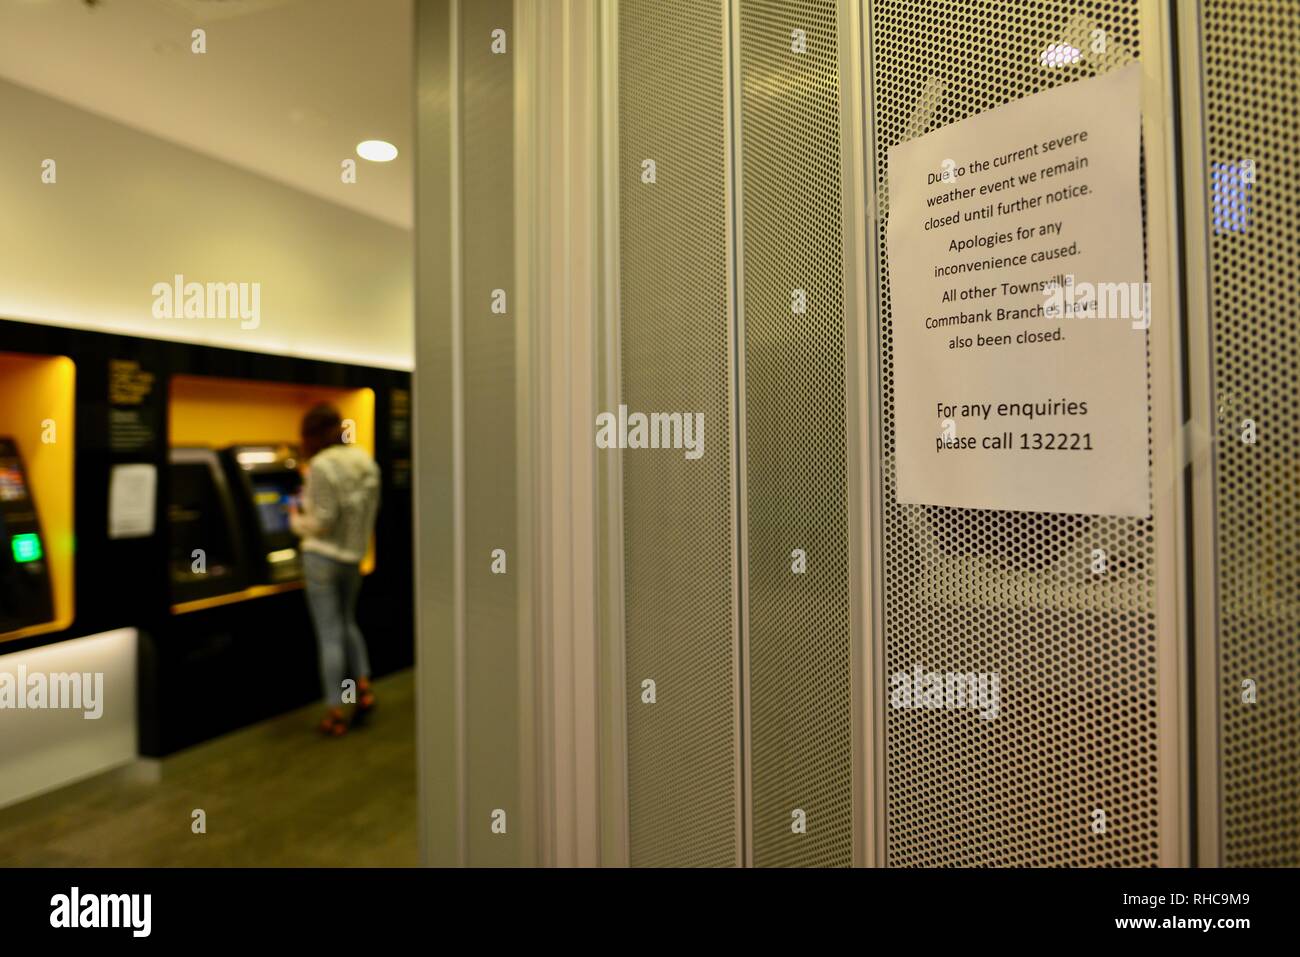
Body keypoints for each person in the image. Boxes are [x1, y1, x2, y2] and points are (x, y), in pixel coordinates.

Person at [289, 403, 381, 737]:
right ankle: (364, 689)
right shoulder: (365, 461)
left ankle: (336, 710)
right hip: (353, 558)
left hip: (322, 559)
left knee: (329, 635)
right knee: (347, 623)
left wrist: (295, 520)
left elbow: (322, 522)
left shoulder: (321, 466)